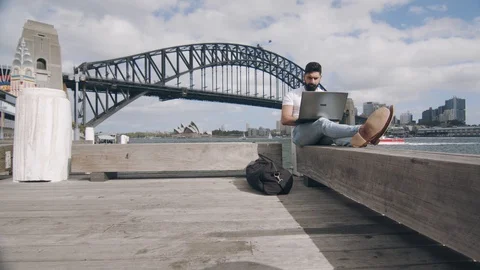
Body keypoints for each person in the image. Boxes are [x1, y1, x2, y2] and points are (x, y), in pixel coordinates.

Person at [281, 62, 393, 147]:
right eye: (309, 78)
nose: (313, 81)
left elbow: (334, 122)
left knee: (334, 136)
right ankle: (363, 129)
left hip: (321, 134)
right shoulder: (292, 94)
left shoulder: (325, 95)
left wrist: (333, 121)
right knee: (321, 122)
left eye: (316, 78)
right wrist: (304, 118)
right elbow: (285, 119)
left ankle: (368, 140)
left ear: (320, 78)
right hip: (300, 135)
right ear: (304, 77)